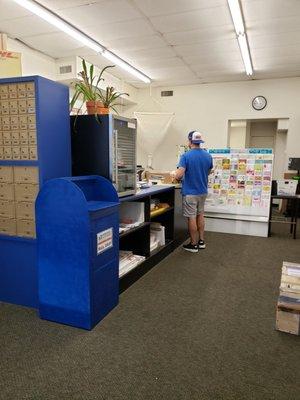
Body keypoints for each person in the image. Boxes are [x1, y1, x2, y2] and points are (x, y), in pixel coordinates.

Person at [172, 131, 213, 253]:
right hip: (202, 191)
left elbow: (179, 175)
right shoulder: (207, 155)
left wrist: (175, 175)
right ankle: (201, 241)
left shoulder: (186, 156)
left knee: (191, 218)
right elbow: (209, 171)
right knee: (200, 215)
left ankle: (193, 244)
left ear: (190, 141)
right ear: (200, 142)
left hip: (190, 192)